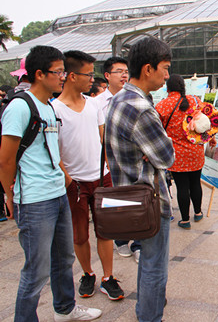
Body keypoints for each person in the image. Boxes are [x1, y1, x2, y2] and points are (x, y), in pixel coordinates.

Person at [0, 45, 101, 321]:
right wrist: (10, 196)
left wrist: (67, 182)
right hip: (33, 200)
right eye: (58, 72)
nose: (62, 76)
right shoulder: (20, 107)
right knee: (36, 271)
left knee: (63, 259)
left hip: (57, 194)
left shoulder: (47, 107)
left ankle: (65, 309)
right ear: (40, 74)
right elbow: (6, 160)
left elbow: (52, 153)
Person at [105, 37, 174, 322]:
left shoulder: (120, 97)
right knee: (154, 265)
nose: (167, 76)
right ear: (148, 68)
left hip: (127, 193)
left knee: (147, 261)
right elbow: (166, 155)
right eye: (165, 68)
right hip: (150, 201)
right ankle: (150, 317)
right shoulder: (141, 108)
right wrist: (160, 145)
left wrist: (152, 150)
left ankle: (146, 310)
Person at [53, 50, 124, 301]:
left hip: (101, 178)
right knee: (80, 233)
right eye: (88, 74)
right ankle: (87, 273)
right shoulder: (55, 110)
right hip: (75, 183)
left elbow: (103, 140)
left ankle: (108, 277)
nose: (92, 80)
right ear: (72, 76)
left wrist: (108, 171)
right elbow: (53, 151)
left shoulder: (94, 104)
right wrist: (68, 180)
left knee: (105, 230)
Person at [94, 56, 141, 261]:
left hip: (131, 162)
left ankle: (138, 242)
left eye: (126, 71)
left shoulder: (133, 99)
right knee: (116, 204)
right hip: (107, 165)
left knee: (137, 202)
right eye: (119, 71)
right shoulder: (95, 104)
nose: (124, 75)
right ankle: (121, 240)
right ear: (107, 75)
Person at [155, 74, 214, 229]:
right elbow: (206, 122)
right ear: (183, 87)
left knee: (182, 186)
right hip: (196, 151)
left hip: (176, 154)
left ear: (167, 88)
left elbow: (157, 131)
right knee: (195, 182)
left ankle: (185, 220)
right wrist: (211, 138)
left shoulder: (161, 106)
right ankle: (198, 212)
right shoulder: (195, 101)